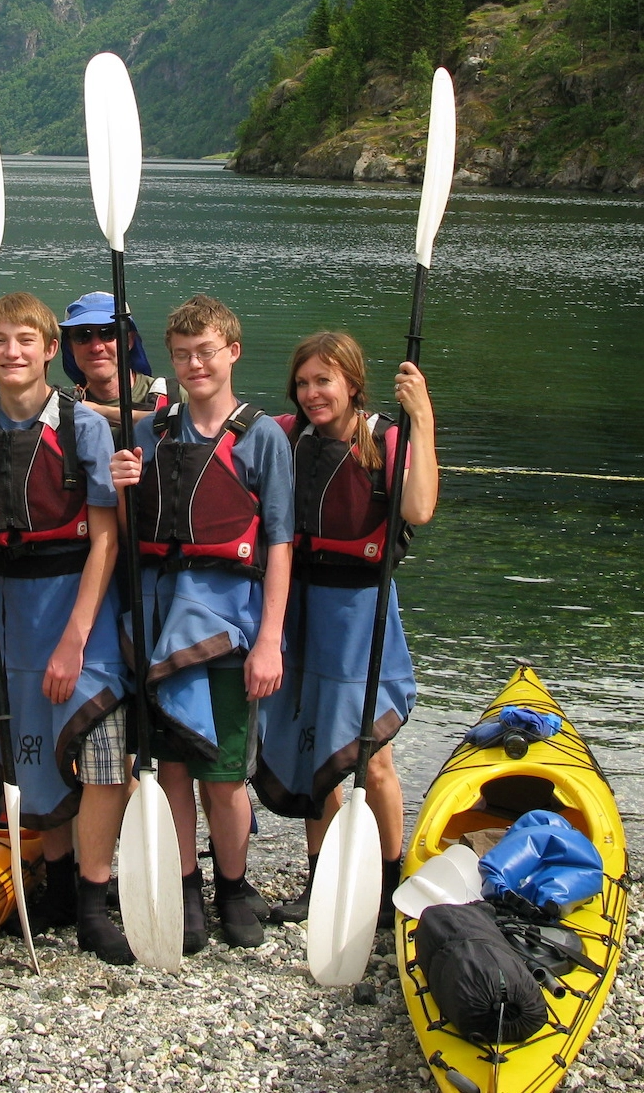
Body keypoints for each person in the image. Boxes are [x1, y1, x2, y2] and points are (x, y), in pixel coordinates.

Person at [0, 291, 134, 964]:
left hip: (80, 610)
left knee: (103, 754)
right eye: (0, 342)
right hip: (10, 617)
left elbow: (106, 539)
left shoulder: (83, 428)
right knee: (29, 746)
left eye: (27, 340)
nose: (13, 352)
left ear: (51, 350)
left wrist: (77, 637)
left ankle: (92, 897)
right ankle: (52, 886)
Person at [109, 294, 293, 951]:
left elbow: (278, 542)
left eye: (205, 351)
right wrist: (123, 487)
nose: (194, 365)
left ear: (232, 352)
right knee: (175, 770)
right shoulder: (150, 434)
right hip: (161, 628)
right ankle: (186, 884)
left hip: (229, 632)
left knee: (222, 773)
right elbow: (128, 535)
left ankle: (235, 886)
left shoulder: (262, 436)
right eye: (182, 355)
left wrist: (269, 641)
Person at [254, 331, 438, 929]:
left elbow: (418, 509)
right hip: (301, 604)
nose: (312, 394)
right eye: (304, 383)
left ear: (352, 383)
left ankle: (388, 884)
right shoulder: (285, 436)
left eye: (324, 381)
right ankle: (321, 881)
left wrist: (422, 418)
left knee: (372, 757)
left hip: (361, 610)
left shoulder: (387, 438)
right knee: (316, 753)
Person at [59, 291, 181, 426]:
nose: (96, 347)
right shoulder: (60, 413)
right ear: (70, 346)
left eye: (108, 333)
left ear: (129, 340)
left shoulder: (177, 396)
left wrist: (99, 411)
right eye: (82, 336)